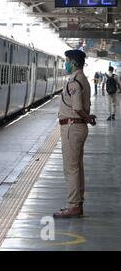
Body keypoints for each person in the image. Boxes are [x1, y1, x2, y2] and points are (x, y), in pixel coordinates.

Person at [54, 49, 96, 219]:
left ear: (73, 62)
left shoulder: (74, 81)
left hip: (72, 127)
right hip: (76, 127)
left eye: (66, 61)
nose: (65, 64)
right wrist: (86, 118)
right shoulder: (82, 79)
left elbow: (77, 108)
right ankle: (77, 203)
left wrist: (87, 118)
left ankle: (73, 206)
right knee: (77, 168)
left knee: (71, 168)